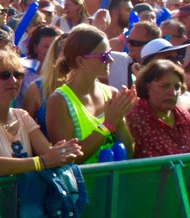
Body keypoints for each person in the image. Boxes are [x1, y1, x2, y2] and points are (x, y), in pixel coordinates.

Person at [0, 51, 81, 177]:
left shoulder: (23, 116)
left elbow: (48, 154)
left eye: (18, 74)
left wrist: (62, 152)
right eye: (5, 75)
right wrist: (42, 162)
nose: (13, 80)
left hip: (16, 196)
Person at [47, 25, 135, 163]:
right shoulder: (59, 101)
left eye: (110, 53)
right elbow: (69, 159)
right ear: (80, 61)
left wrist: (120, 118)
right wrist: (107, 126)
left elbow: (128, 153)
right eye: (104, 56)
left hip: (114, 183)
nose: (111, 60)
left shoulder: (112, 93)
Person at [126, 60, 190, 158]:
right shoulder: (134, 119)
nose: (172, 92)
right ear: (147, 87)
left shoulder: (184, 117)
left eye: (177, 87)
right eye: (164, 86)